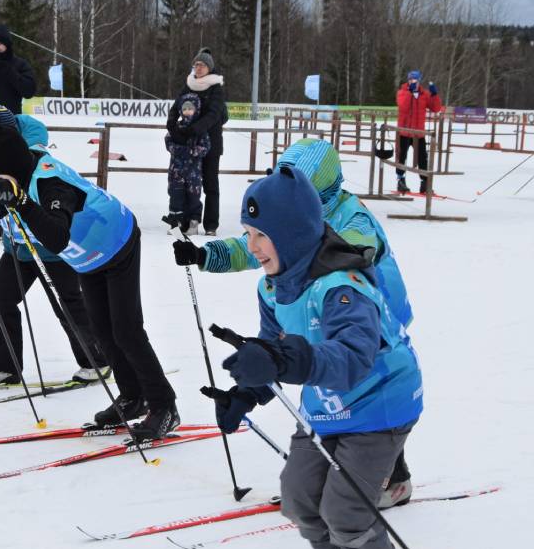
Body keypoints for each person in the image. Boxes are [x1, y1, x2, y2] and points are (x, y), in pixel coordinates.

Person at [208, 165, 423, 549]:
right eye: (247, 234)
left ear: (291, 232)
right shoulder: (272, 285)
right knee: (300, 497)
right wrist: (247, 391)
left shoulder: (342, 286)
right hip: (327, 406)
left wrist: (282, 357)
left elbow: (350, 360)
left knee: (346, 508)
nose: (252, 246)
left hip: (379, 405)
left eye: (260, 235)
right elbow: (274, 347)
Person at [173, 138, 414, 507]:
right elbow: (254, 244)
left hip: (371, 312)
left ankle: (392, 478)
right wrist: (207, 254)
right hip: (311, 309)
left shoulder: (353, 218)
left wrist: (297, 274)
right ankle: (334, 467)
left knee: (365, 384)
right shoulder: (292, 215)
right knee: (322, 380)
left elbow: (344, 259)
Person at [0, 108, 180, 441]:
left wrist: (23, 202)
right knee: (101, 328)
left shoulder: (49, 181)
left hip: (116, 240)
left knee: (126, 329)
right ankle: (132, 397)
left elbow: (56, 237)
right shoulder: (16, 178)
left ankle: (164, 405)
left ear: (10, 170)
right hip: (87, 257)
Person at [0, 98, 108, 387]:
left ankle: (97, 361)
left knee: (68, 305)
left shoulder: (32, 156)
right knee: (0, 299)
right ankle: (5, 367)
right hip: (17, 247)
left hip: (57, 250)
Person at [166, 47, 228, 233]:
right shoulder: (189, 84)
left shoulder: (216, 88)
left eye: (201, 65)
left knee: (210, 184)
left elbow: (214, 114)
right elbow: (177, 106)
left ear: (209, 67)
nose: (198, 68)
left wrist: (196, 129)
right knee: (185, 183)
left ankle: (210, 224)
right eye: (196, 65)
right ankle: (186, 220)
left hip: (210, 143)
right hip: (187, 145)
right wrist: (172, 124)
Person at [164, 91, 210, 234]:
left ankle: (193, 223)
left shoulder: (200, 129)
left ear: (196, 109)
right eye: (184, 109)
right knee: (175, 196)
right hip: (176, 171)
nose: (187, 111)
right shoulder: (176, 127)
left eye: (190, 108)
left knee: (193, 197)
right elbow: (168, 141)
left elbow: (205, 147)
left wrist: (192, 151)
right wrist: (180, 149)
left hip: (193, 172)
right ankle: (175, 224)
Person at [393, 70, 442, 194]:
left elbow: (436, 108)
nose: (412, 82)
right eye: (410, 79)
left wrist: (434, 95)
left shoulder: (424, 94)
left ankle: (425, 183)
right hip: (403, 132)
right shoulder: (402, 92)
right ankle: (400, 181)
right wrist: (410, 92)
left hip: (418, 133)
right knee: (401, 157)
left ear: (419, 81)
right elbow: (402, 105)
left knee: (422, 159)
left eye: (415, 80)